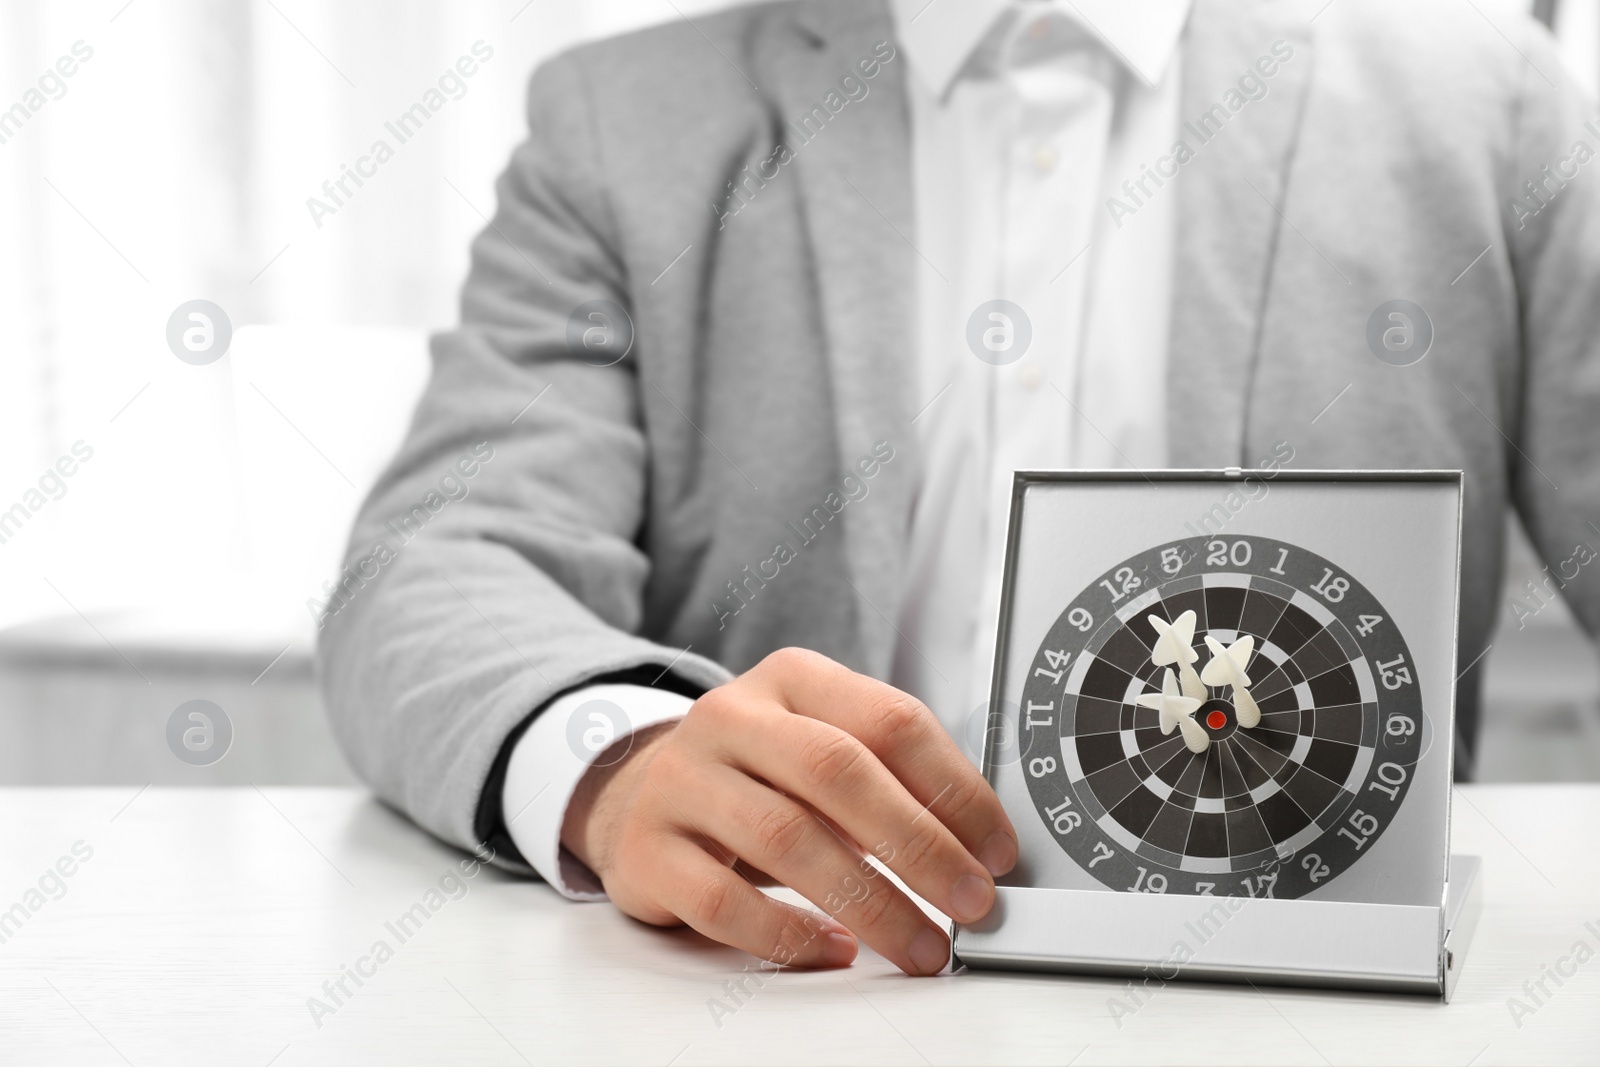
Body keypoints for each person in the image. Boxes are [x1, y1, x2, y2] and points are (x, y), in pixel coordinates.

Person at [317, 0, 1600, 977]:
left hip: (1324, 1006)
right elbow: (437, 563)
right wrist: (622, 756)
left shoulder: (1493, 111)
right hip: (794, 995)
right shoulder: (619, 123)